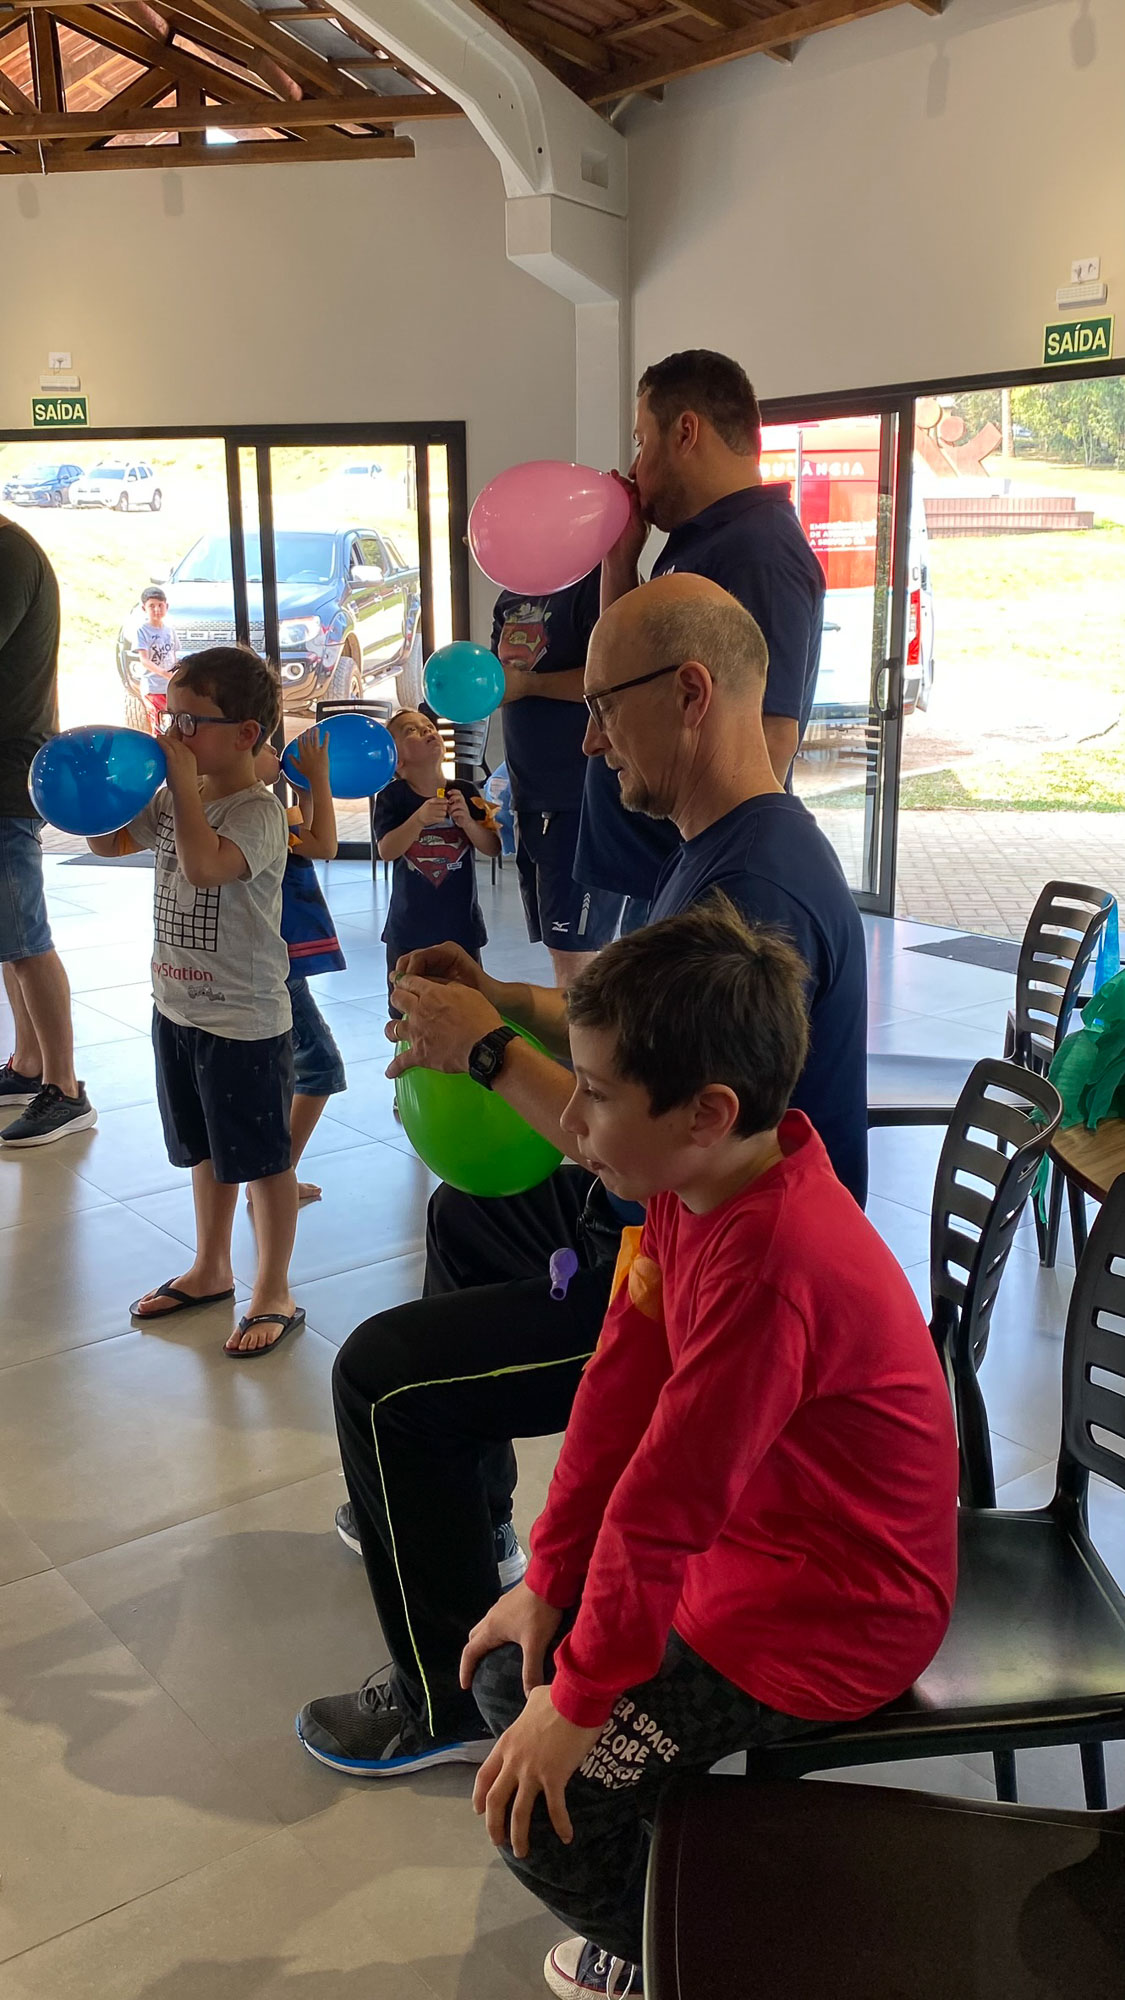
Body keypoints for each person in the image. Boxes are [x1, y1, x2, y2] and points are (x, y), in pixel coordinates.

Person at [296, 574, 868, 1777]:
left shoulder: (751, 886)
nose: (591, 738)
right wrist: (506, 994)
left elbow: (646, 1138)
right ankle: (477, 1530)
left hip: (712, 1271)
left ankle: (447, 1699)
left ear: (691, 693)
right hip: (675, 1217)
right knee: (470, 1216)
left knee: (383, 1380)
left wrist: (486, 1047)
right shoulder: (730, 843)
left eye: (604, 705)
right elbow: (643, 1037)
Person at [461, 899, 958, 1997]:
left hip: (835, 1614)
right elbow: (617, 1389)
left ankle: (713, 1958)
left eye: (597, 1093)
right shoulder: (692, 1189)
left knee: (535, 1810)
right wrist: (549, 1576)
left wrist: (582, 1699)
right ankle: (683, 1892)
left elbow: (665, 1505)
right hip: (751, 1559)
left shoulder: (772, 1264)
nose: (573, 1119)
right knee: (510, 1675)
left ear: (706, 1111)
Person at [88, 646, 303, 1358]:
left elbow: (207, 867)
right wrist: (103, 791)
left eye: (190, 722)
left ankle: (274, 1288)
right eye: (169, 718)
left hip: (242, 1019)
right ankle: (212, 1267)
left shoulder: (258, 811)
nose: (174, 735)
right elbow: (108, 844)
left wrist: (180, 786)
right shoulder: (175, 797)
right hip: (176, 1005)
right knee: (203, 1149)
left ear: (245, 733)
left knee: (263, 1161)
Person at [574, 348, 826, 929]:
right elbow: (619, 669)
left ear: (685, 432)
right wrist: (620, 560)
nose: (633, 468)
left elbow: (771, 737)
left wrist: (706, 867)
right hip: (671, 871)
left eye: (642, 442)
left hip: (702, 883)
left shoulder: (758, 551)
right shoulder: (701, 542)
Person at [0, 512, 96, 1148]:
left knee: (27, 939)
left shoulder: (8, 554)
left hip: (7, 776)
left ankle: (65, 1088)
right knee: (10, 938)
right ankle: (30, 1064)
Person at [493, 572, 621, 986]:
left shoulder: (594, 582)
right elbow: (496, 680)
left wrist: (530, 684)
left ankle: (586, 1032)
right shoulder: (510, 595)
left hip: (577, 796)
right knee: (561, 948)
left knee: (578, 955)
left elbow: (613, 678)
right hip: (529, 794)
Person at [252, 726, 347, 1208]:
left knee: (283, 1070)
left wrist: (306, 790)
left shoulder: (258, 812)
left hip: (270, 963)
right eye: (268, 747)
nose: (278, 751)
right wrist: (321, 778)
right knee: (321, 1068)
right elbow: (324, 845)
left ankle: (271, 1177)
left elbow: (306, 834)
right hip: (277, 968)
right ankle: (275, 1179)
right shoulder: (260, 814)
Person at [374, 708, 500, 1012]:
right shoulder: (393, 797)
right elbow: (387, 850)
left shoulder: (466, 791)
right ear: (398, 761)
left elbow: (493, 847)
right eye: (412, 731)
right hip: (408, 928)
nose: (427, 731)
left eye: (428, 726)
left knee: (467, 1005)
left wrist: (468, 823)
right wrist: (418, 819)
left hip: (461, 926)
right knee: (408, 1007)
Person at [135, 584, 178, 730]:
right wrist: (164, 673)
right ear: (144, 609)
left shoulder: (170, 630)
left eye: (160, 605)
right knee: (159, 724)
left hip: (170, 686)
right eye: (152, 606)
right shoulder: (142, 631)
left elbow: (174, 655)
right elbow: (144, 660)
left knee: (173, 723)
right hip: (153, 687)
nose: (157, 610)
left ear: (167, 606)